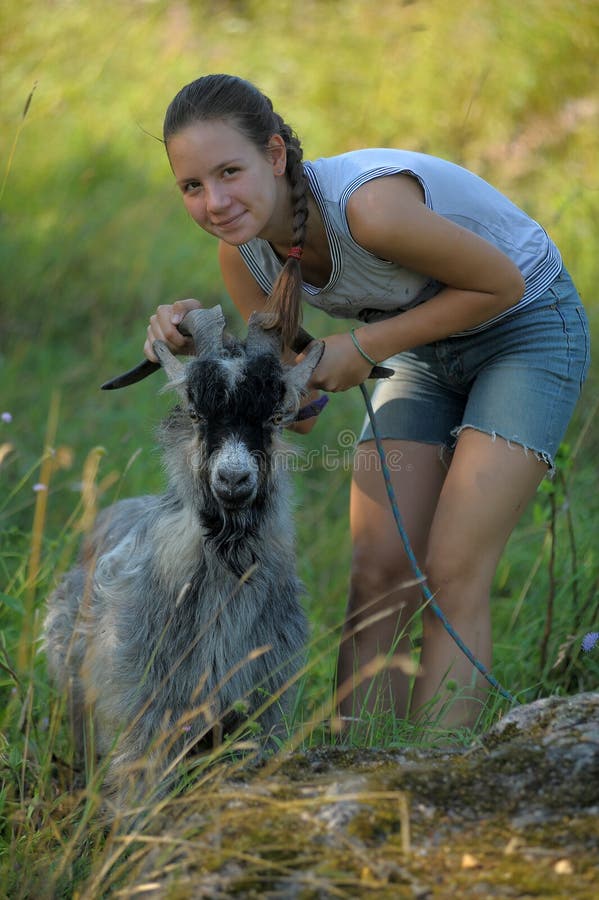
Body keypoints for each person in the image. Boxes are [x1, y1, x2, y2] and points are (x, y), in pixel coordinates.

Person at [145, 74, 590, 729]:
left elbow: (500, 283)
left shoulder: (368, 208)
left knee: (451, 569)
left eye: (229, 171)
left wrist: (363, 342)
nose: (214, 201)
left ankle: (445, 788)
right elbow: (296, 408)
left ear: (274, 155)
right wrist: (200, 347)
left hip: (523, 330)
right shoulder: (244, 260)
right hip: (418, 352)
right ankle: (355, 786)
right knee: (377, 572)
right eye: (192, 185)